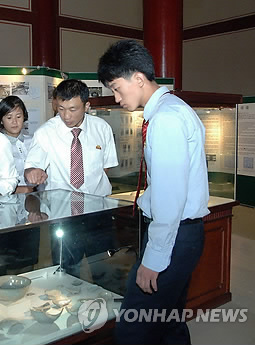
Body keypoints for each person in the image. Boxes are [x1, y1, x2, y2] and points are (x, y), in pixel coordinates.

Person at [98, 39, 209, 344]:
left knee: (133, 328)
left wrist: (153, 259)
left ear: (138, 78)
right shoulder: (168, 111)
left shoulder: (166, 119)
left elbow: (169, 198)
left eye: (117, 87)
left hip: (174, 236)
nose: (116, 97)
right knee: (168, 322)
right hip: (180, 234)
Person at [24, 79, 118, 195]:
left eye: (73, 109)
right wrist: (32, 172)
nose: (66, 116)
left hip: (97, 201)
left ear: (86, 106)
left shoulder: (102, 128)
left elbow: (106, 166)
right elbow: (32, 167)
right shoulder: (45, 132)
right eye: (61, 109)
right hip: (59, 204)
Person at [0, 95, 34, 193]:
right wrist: (18, 190)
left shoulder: (33, 141)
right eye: (9, 117)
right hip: (8, 199)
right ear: (1, 120)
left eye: (18, 116)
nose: (14, 122)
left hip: (35, 197)